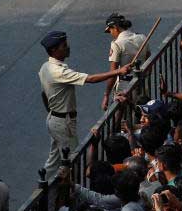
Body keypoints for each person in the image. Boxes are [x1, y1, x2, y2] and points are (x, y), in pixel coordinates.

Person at [37, 30, 132, 181]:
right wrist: (118, 71)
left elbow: (44, 94)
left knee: (54, 160)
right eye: (64, 45)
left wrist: (53, 111)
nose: (67, 47)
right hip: (63, 122)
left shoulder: (45, 67)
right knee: (71, 160)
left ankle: (44, 190)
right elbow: (91, 79)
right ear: (54, 50)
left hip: (54, 118)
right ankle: (70, 193)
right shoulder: (58, 71)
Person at [102, 13, 147, 110]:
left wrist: (106, 95)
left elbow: (113, 73)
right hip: (141, 83)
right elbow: (148, 57)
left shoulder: (117, 44)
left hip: (124, 87)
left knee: (120, 118)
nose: (111, 34)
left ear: (115, 27)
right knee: (140, 112)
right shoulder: (142, 37)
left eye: (110, 30)